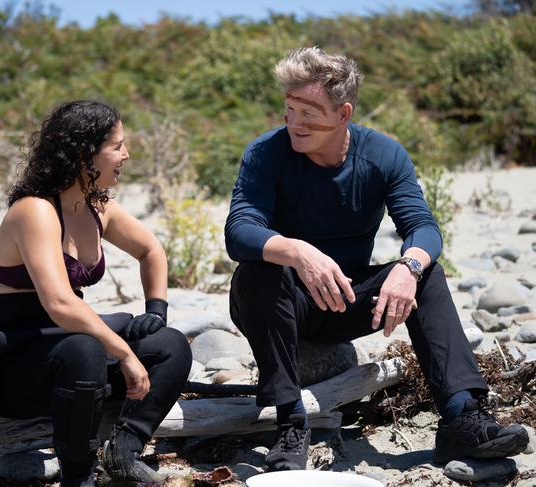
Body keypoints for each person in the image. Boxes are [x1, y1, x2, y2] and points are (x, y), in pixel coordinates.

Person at [224, 47, 529, 472]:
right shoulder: (266, 153)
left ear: (343, 113)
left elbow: (423, 226)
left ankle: (463, 416)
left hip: (345, 300)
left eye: (309, 112)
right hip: (279, 302)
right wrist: (296, 251)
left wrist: (409, 267)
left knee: (428, 273)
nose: (294, 122)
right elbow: (239, 230)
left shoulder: (382, 155)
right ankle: (289, 421)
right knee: (257, 270)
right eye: (289, 109)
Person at [0, 100, 192, 486]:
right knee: (86, 348)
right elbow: (60, 303)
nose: (126, 154)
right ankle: (78, 476)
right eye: (117, 145)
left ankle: (123, 451)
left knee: (171, 345)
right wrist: (125, 354)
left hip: (65, 356)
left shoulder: (98, 208)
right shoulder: (35, 210)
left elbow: (151, 250)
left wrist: (157, 311)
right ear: (84, 153)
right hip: (11, 366)